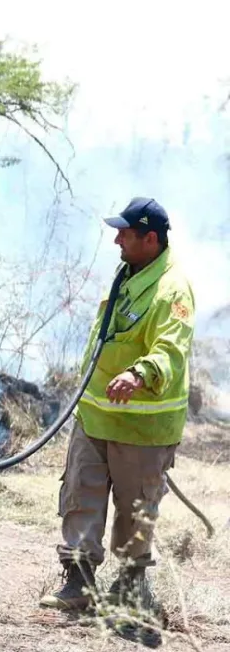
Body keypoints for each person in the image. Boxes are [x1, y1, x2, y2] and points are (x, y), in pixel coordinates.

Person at [40, 197, 195, 612]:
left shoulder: (172, 290)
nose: (115, 240)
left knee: (135, 510)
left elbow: (171, 348)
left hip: (141, 428)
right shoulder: (129, 273)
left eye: (124, 233)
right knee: (81, 494)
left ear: (150, 238)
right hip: (95, 415)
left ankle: (131, 588)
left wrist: (139, 373)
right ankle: (78, 583)